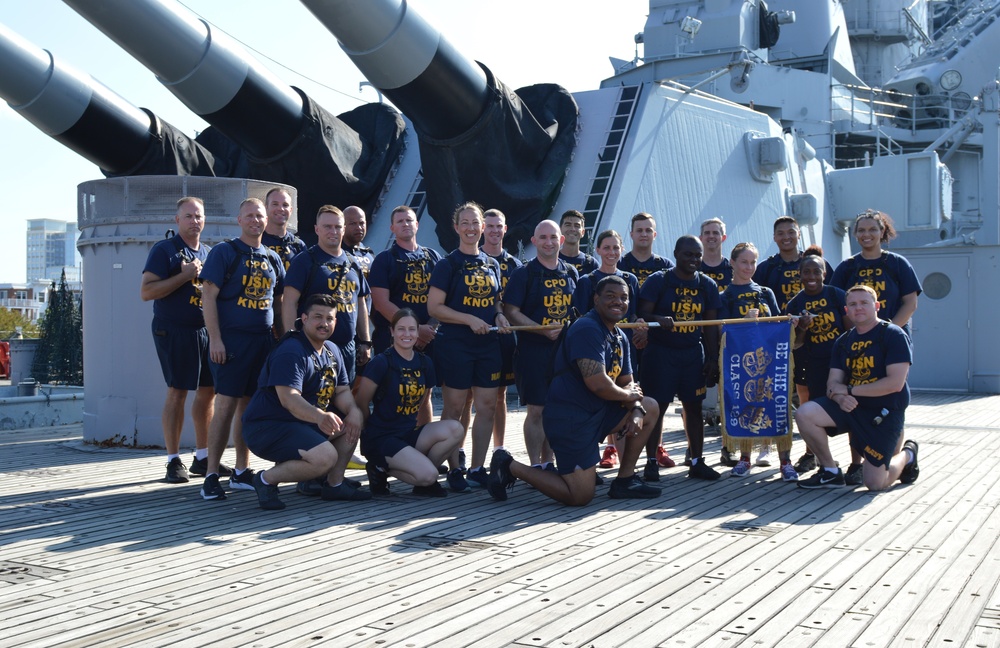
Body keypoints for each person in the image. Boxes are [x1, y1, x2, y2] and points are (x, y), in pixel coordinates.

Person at [487, 275, 661, 504]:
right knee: (579, 496)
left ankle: (625, 480)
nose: (617, 301)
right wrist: (630, 396)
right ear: (596, 299)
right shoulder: (587, 328)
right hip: (570, 418)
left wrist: (636, 409)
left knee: (650, 406)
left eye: (623, 297)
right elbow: (598, 383)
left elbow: (627, 381)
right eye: (610, 296)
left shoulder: (619, 336)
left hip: (598, 412)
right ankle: (509, 465)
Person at [241, 294, 370, 510]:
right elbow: (289, 399)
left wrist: (354, 411)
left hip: (301, 423)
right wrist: (320, 416)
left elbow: (342, 391)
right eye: (318, 317)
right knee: (325, 458)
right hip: (268, 426)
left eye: (329, 318)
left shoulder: (332, 349)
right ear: (304, 318)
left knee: (351, 423)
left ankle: (334, 484)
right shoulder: (291, 351)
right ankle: (265, 479)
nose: (324, 323)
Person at [199, 197, 285, 500]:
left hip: (263, 341)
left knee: (249, 406)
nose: (255, 220)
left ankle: (240, 470)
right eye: (249, 215)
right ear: (239, 220)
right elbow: (207, 297)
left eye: (259, 215)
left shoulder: (272, 258)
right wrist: (216, 339)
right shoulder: (225, 252)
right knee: (224, 406)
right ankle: (210, 474)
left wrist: (283, 340)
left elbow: (279, 301)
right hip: (232, 340)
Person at [795, 285, 919, 491]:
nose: (858, 308)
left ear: (876, 306)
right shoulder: (843, 341)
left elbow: (895, 384)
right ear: (846, 310)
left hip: (883, 412)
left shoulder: (893, 335)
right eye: (852, 304)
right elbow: (833, 384)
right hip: (851, 407)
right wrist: (839, 398)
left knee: (875, 483)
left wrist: (850, 391)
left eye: (864, 303)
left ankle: (908, 454)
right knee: (805, 413)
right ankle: (830, 471)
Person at [427, 201, 511, 491]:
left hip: (488, 344)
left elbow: (496, 299)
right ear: (456, 227)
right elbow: (435, 307)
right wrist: (468, 319)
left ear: (483, 228)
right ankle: (454, 468)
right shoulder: (446, 264)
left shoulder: (492, 263)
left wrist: (499, 313)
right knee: (454, 408)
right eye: (465, 222)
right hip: (456, 345)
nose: (471, 228)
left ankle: (477, 468)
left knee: (487, 405)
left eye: (476, 223)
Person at [140, 196, 224, 483]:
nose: (194, 221)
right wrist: (184, 275)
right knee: (177, 391)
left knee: (208, 391)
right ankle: (173, 460)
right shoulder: (165, 250)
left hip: (204, 330)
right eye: (188, 216)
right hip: (173, 329)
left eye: (198, 216)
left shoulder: (210, 253)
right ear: (177, 220)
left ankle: (203, 457)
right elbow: (147, 291)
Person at [638, 235, 722, 481]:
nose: (694, 259)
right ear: (676, 254)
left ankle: (697, 461)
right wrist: (659, 319)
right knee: (658, 408)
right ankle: (651, 462)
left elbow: (709, 325)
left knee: (693, 408)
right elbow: (641, 312)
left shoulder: (707, 285)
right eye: (689, 254)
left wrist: (712, 358)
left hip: (691, 354)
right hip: (660, 354)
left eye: (698, 255)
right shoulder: (658, 281)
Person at [355, 309, 464, 497]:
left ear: (418, 332)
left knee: (456, 429)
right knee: (430, 476)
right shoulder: (381, 362)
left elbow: (422, 401)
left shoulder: (425, 363)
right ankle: (379, 467)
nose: (407, 334)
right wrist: (367, 432)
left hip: (408, 433)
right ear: (392, 331)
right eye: (401, 329)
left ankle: (417, 470)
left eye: (412, 329)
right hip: (382, 437)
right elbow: (361, 402)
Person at [572, 230, 652, 469]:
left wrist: (639, 326)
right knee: (596, 396)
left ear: (621, 250)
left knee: (623, 397)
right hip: (594, 347)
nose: (611, 252)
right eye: (606, 248)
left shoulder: (630, 279)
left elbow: (634, 313)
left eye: (615, 248)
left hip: (622, 346)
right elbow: (579, 315)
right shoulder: (587, 281)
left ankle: (625, 468)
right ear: (597, 250)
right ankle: (592, 459)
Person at [717, 242, 795, 480]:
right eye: (744, 262)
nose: (749, 267)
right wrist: (742, 320)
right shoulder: (725, 296)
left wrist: (789, 321)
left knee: (777, 404)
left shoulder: (765, 292)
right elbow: (720, 329)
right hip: (740, 362)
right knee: (743, 404)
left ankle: (785, 461)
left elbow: (778, 322)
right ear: (732, 263)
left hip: (770, 358)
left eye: (753, 262)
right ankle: (744, 458)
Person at [503, 219, 577, 468]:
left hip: (563, 353)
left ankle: (549, 462)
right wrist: (541, 330)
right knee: (536, 410)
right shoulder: (523, 273)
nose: (548, 242)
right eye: (543, 238)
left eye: (553, 237)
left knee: (557, 409)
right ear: (534, 242)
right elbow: (511, 310)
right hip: (533, 352)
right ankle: (535, 466)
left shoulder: (572, 272)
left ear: (561, 240)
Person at [368, 205, 443, 424]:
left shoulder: (433, 257)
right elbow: (381, 302)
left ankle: (423, 445)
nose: (405, 224)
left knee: (424, 393)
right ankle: (390, 444)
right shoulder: (384, 260)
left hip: (428, 337)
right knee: (392, 391)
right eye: (400, 222)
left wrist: (429, 329)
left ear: (417, 225)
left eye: (409, 220)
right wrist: (413, 330)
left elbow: (443, 299)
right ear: (392, 228)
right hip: (392, 338)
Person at [282, 205, 372, 384]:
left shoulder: (353, 263)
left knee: (344, 400)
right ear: (317, 229)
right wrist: (291, 339)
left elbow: (360, 303)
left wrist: (365, 342)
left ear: (344, 229)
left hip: (347, 349)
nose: (333, 231)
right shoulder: (304, 261)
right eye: (327, 226)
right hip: (314, 347)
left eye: (338, 227)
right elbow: (289, 302)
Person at [786, 249, 852, 476]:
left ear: (824, 273)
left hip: (841, 365)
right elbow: (796, 344)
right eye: (807, 272)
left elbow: (850, 331)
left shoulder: (837, 295)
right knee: (813, 410)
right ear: (800, 275)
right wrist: (803, 327)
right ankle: (819, 459)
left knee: (851, 408)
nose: (811, 275)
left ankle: (857, 463)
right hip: (813, 364)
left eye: (817, 271)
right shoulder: (795, 304)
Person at [830, 209, 921, 339]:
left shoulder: (898, 263)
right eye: (861, 230)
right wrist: (859, 333)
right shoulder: (846, 267)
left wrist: (888, 332)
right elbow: (837, 306)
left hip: (893, 339)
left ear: (882, 231)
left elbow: (911, 303)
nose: (866, 234)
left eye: (873, 229)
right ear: (855, 234)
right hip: (858, 340)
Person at [482, 208, 522, 449]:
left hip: (505, 337)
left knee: (500, 396)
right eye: (490, 226)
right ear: (482, 229)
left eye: (499, 226)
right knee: (467, 397)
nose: (495, 230)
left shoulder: (515, 265)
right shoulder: (472, 259)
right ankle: (463, 451)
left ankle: (498, 449)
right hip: (476, 335)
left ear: (505, 229)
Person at [617, 212, 673, 288]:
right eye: (639, 230)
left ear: (654, 235)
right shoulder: (619, 264)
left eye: (648, 230)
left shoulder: (665, 266)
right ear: (631, 234)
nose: (644, 234)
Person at [261, 187, 306, 271]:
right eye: (275, 204)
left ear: (291, 210)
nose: (280, 208)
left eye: (285, 205)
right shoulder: (255, 240)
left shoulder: (298, 246)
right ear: (266, 207)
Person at [558, 209, 598, 276]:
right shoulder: (551, 260)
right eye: (568, 225)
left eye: (577, 226)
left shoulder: (591, 264)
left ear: (582, 232)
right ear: (560, 230)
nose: (572, 229)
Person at [699, 218, 732, 294]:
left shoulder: (733, 270)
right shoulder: (693, 269)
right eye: (707, 233)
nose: (711, 236)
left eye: (715, 233)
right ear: (701, 238)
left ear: (723, 238)